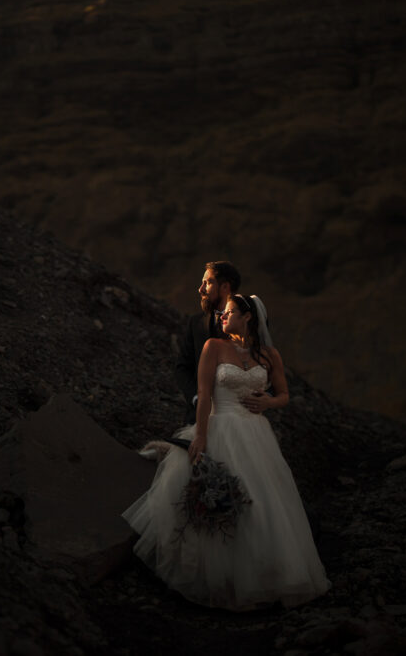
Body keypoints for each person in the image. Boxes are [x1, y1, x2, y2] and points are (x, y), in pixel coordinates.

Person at [123, 293, 331, 610]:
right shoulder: (214, 347)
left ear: (247, 317)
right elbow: (205, 395)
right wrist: (201, 436)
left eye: (229, 312)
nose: (222, 317)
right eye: (222, 313)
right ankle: (215, 579)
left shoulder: (269, 354)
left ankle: (264, 577)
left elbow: (284, 395)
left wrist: (267, 402)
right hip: (220, 427)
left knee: (260, 502)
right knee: (218, 495)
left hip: (256, 433)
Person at [174, 261, 241, 424]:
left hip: (238, 418)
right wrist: (196, 398)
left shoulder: (248, 321)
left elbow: (264, 364)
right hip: (196, 418)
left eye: (208, 283)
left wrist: (264, 397)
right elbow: (182, 367)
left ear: (225, 287)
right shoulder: (195, 323)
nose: (200, 289)